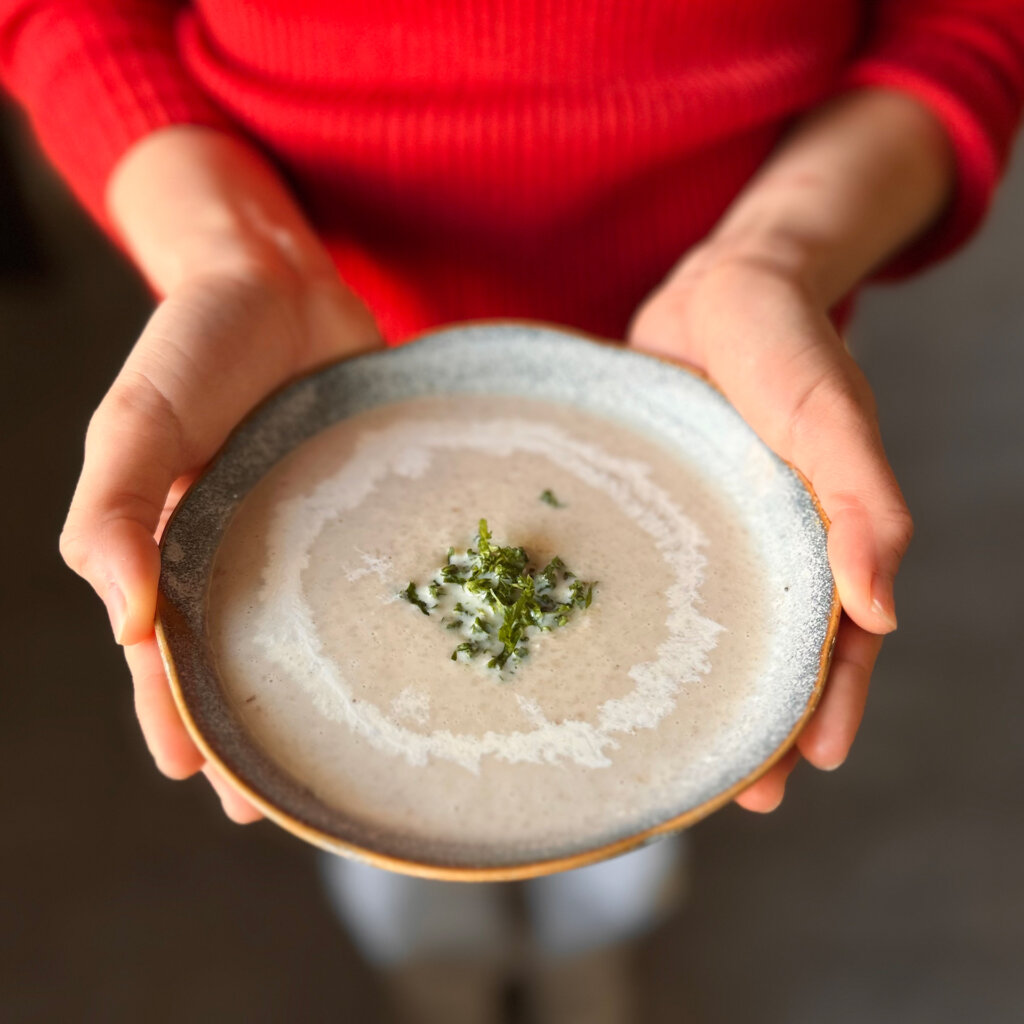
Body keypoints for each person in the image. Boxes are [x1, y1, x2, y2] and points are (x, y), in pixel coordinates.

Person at [2, 1, 1022, 1018]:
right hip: (301, 346)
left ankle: (590, 947)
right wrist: (234, 249)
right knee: (379, 829)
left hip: (717, 385)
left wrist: (781, 247)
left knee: (646, 817)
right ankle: (435, 966)